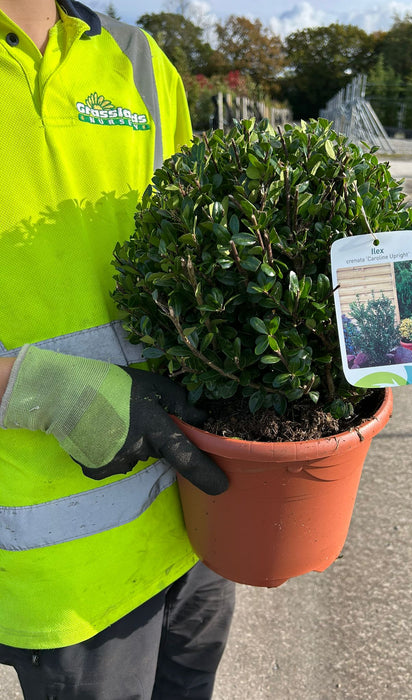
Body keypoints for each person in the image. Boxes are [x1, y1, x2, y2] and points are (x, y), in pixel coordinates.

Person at [0, 1, 235, 698]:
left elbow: (203, 245)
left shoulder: (137, 60)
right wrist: (47, 391)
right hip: (61, 568)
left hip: (193, 517)